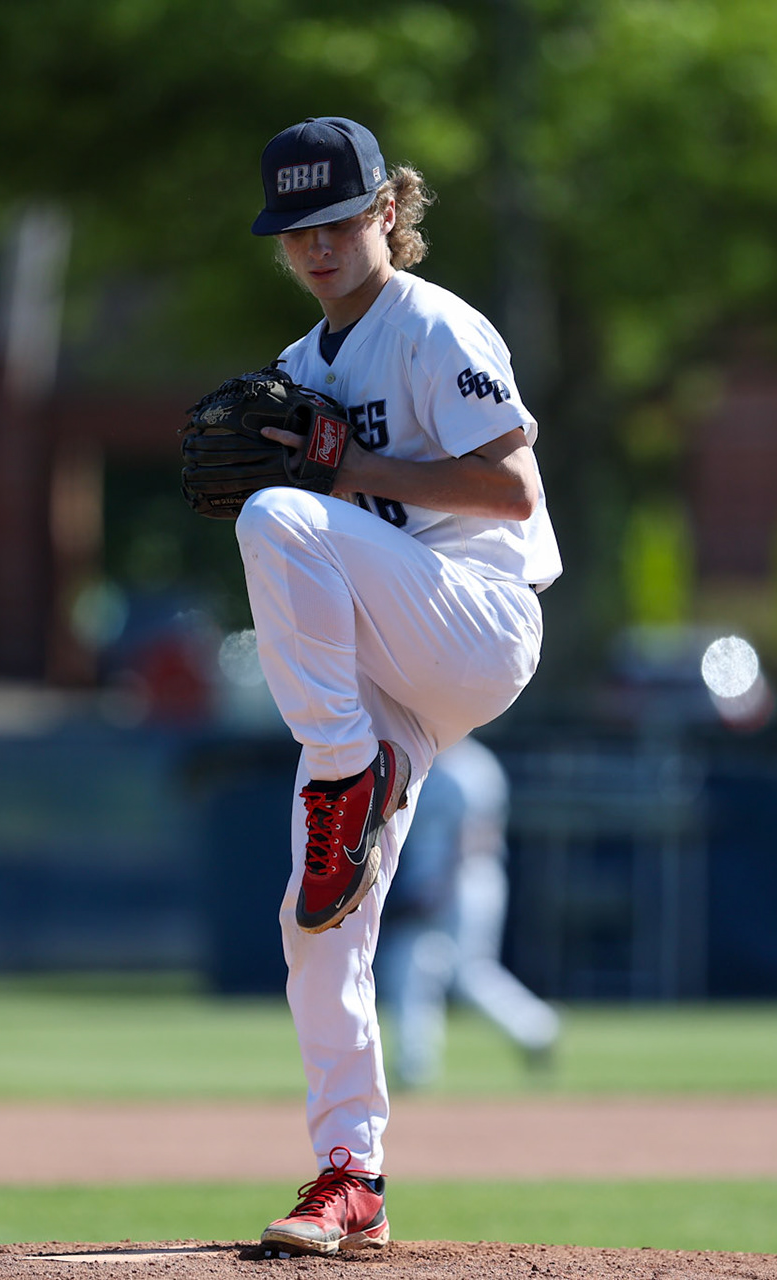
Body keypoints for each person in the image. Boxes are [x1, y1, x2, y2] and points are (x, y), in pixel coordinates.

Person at [235, 117, 561, 1257]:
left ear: (388, 211)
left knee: (276, 509)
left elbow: (514, 492)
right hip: (386, 667)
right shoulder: (297, 365)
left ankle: (343, 770)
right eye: (296, 229)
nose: (316, 246)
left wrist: (341, 472)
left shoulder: (434, 324)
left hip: (476, 621)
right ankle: (350, 1173)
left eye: (337, 219)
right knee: (317, 917)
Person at [376, 734, 560, 1090]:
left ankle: (536, 1027)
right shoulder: (421, 759)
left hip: (465, 880)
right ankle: (415, 1062)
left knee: (465, 973)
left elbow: (478, 836)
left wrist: (440, 889)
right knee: (411, 964)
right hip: (430, 881)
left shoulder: (473, 766)